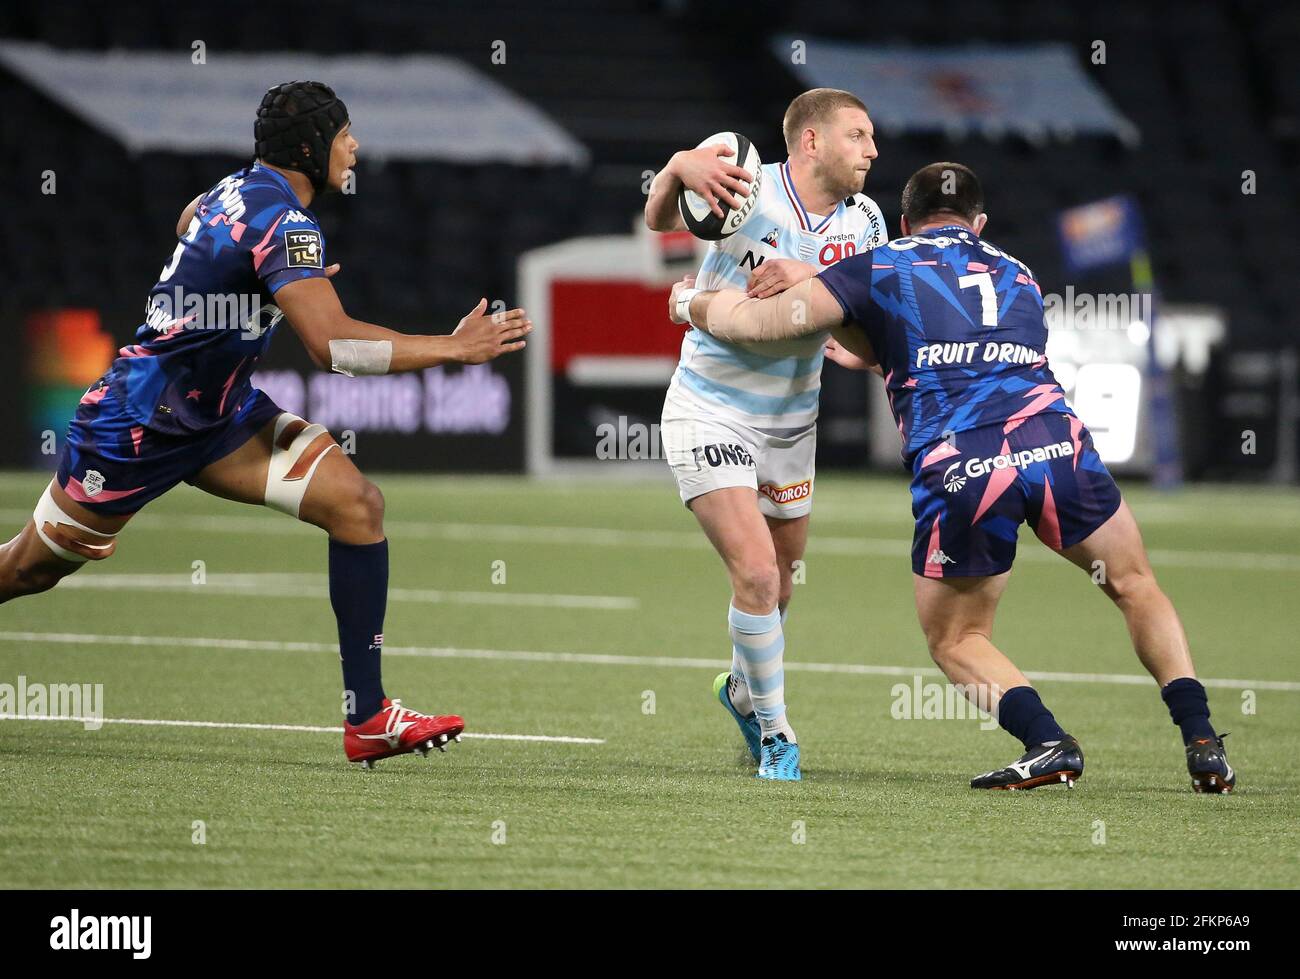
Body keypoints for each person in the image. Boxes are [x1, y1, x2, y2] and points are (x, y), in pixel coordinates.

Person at [0, 81, 533, 769]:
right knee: (29, 569)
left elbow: (192, 219)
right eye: (346, 134)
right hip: (138, 421)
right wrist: (456, 348)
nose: (356, 146)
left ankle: (368, 718)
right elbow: (333, 347)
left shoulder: (236, 190)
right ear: (312, 148)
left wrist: (254, 283)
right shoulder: (288, 225)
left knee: (357, 504)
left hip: (218, 416)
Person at [668, 161, 1236, 792]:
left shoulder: (880, 263)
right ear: (981, 223)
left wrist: (693, 301)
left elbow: (765, 322)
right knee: (1134, 583)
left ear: (904, 222)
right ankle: (1203, 742)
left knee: (957, 637)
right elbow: (955, 342)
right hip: (1056, 445)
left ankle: (1049, 742)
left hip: (965, 463)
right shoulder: (1017, 271)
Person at [644, 89, 887, 780]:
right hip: (710, 405)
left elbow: (873, 322)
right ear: (811, 142)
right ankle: (778, 734)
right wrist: (675, 169)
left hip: (792, 420)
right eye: (858, 135)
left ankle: (743, 694)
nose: (872, 150)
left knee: (778, 587)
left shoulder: (866, 220)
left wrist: (825, 293)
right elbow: (662, 218)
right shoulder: (745, 181)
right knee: (753, 571)